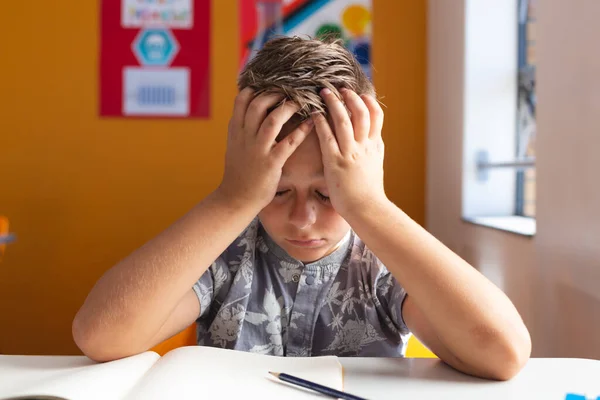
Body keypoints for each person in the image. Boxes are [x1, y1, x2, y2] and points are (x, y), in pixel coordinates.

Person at [72, 36, 531, 380]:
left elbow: (503, 354)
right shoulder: (227, 255)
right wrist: (234, 197)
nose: (302, 219)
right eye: (276, 191)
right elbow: (101, 337)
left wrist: (370, 204)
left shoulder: (383, 265)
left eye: (328, 194)